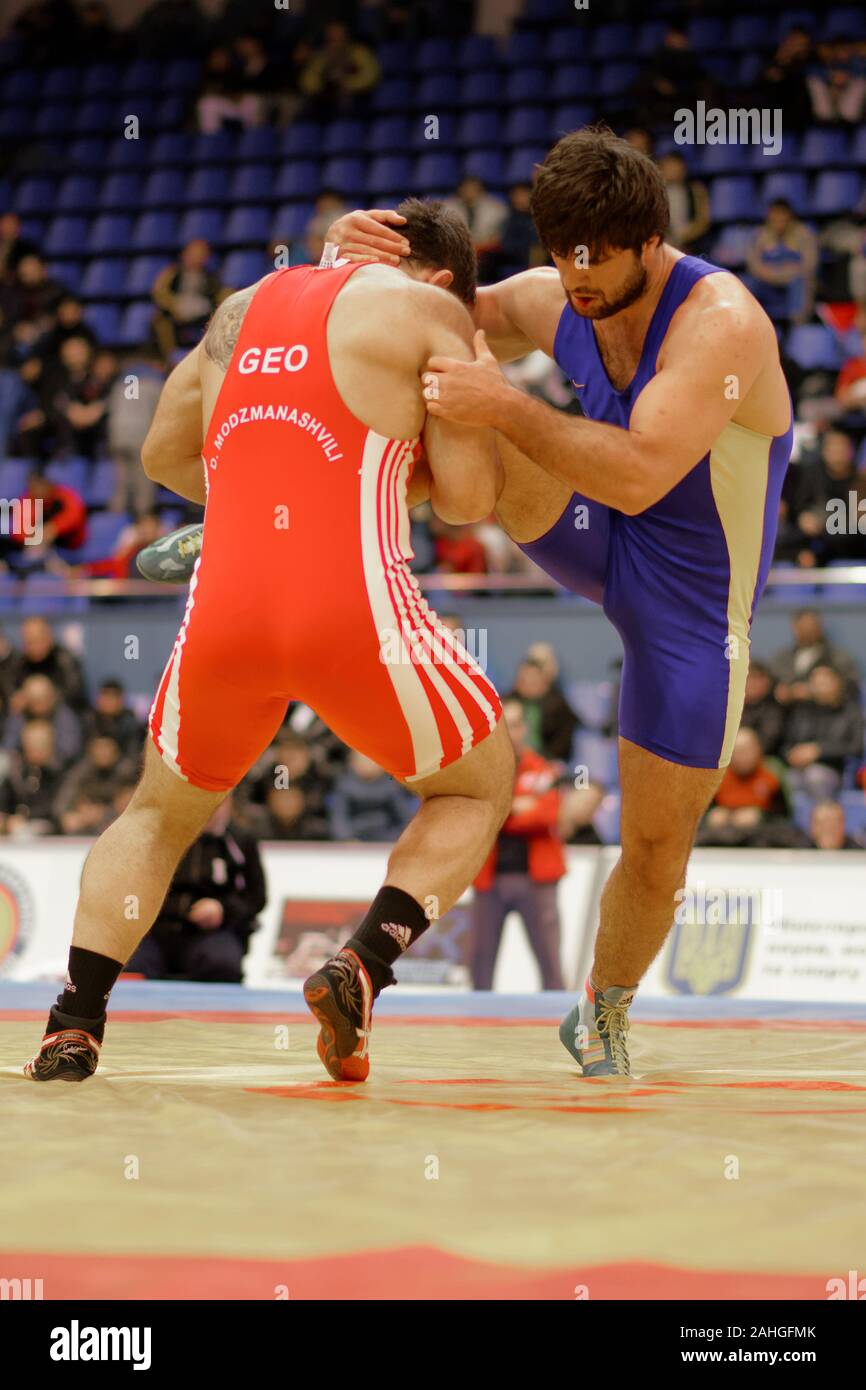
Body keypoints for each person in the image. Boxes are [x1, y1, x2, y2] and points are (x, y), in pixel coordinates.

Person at [323, 126, 793, 1077]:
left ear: (649, 244)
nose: (575, 286)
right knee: (445, 382)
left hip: (694, 606)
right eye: (560, 262)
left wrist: (502, 403)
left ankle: (602, 1012)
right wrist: (346, 265)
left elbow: (638, 475)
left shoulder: (723, 324)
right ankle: (288, 517)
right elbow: (431, 320)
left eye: (598, 267)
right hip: (595, 538)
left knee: (658, 847)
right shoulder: (550, 294)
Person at [25, 199, 514, 1086]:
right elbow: (469, 500)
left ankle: (74, 1022)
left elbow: (168, 460)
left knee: (156, 815)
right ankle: (361, 963)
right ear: (444, 280)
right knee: (477, 786)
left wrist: (270, 490)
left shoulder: (237, 310)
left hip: (226, 613)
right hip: (353, 611)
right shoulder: (433, 315)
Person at [471, 699, 566, 990]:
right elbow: (477, 818)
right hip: (489, 879)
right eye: (501, 727)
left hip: (536, 880)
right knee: (479, 964)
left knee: (550, 962)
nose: (508, 733)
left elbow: (546, 815)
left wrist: (500, 810)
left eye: (513, 725)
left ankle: (559, 1022)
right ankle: (476, 1022)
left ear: (523, 728)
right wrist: (516, 807)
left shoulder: (542, 769)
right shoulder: (478, 771)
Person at [125, 797, 266, 983]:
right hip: (155, 931)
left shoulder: (241, 841)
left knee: (221, 964)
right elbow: (129, 886)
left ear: (229, 803)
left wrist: (222, 909)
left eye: (218, 804)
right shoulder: (156, 835)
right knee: (126, 964)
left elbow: (256, 898)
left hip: (212, 934)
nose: (210, 811)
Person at [151, 239, 227, 362]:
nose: (196, 258)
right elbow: (159, 293)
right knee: (160, 321)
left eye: (201, 254)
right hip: (176, 312)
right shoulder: (172, 274)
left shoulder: (211, 277)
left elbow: (219, 295)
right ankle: (168, 359)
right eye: (193, 253)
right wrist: (174, 306)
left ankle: (209, 358)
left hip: (203, 314)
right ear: (185, 255)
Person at [746, 200, 818, 328]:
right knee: (749, 284)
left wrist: (776, 273)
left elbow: (809, 265)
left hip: (793, 283)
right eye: (775, 215)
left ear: (790, 216)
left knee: (801, 282)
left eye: (782, 215)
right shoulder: (760, 235)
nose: (778, 219)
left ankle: (798, 326)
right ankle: (751, 326)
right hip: (768, 284)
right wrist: (781, 272)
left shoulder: (804, 234)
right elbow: (754, 267)